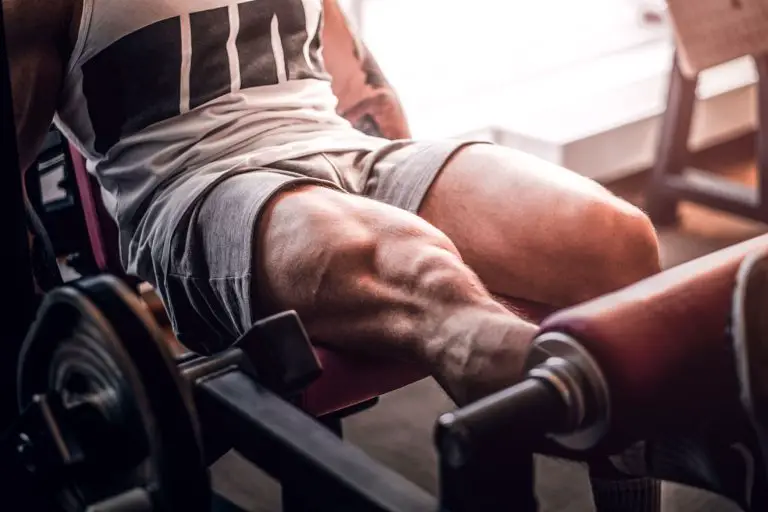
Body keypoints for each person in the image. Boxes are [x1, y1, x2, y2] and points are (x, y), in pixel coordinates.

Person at [4, 0, 660, 406]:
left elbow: (363, 92)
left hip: (342, 151)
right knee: (424, 275)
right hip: (198, 193)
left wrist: (414, 187)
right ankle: (634, 411)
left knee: (615, 238)